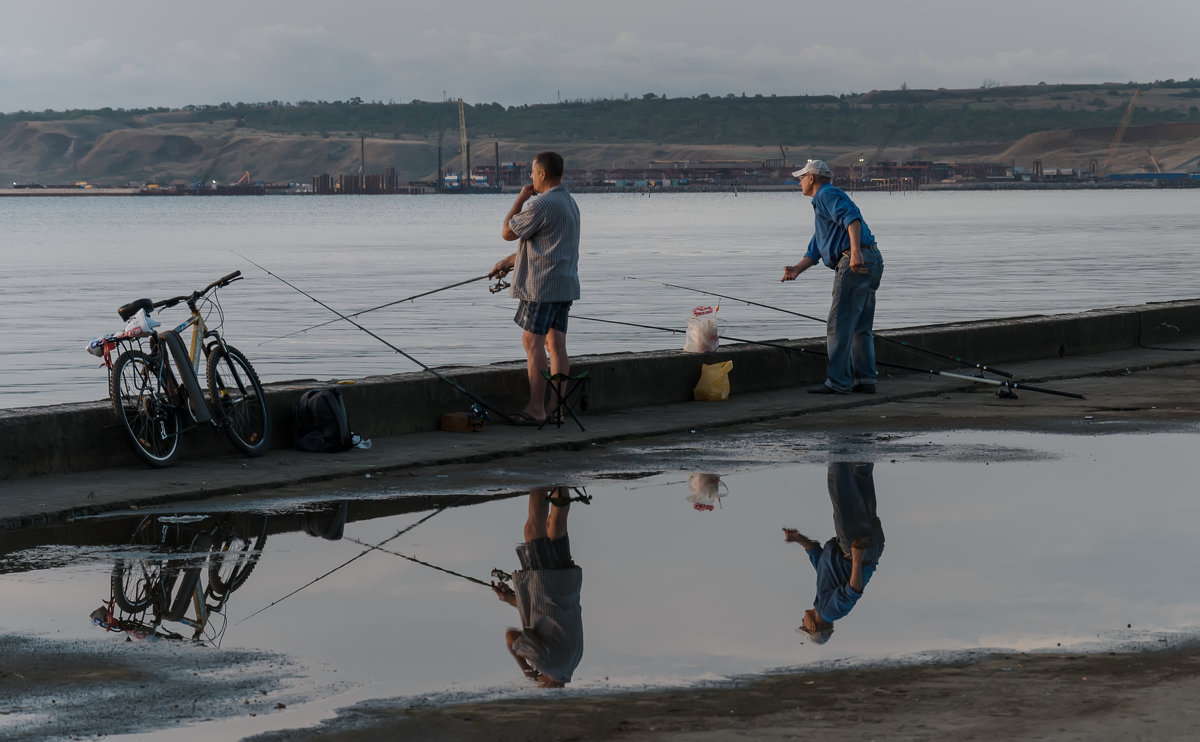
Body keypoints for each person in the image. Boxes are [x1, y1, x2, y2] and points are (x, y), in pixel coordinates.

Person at [489, 152, 581, 425]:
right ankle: (556, 409)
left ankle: (535, 409)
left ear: (542, 173)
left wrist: (521, 197)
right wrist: (509, 262)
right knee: (557, 346)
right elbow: (548, 247)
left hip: (541, 287)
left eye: (532, 172)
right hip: (564, 283)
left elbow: (507, 232)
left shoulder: (541, 204)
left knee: (532, 342)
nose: (530, 177)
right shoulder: (569, 202)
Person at [781, 160, 884, 394]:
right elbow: (819, 244)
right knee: (860, 326)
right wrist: (798, 268)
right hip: (872, 259)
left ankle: (838, 382)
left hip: (854, 261)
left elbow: (852, 219)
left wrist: (855, 253)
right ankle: (865, 380)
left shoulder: (826, 194)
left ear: (812, 178)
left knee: (838, 325)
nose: (799, 182)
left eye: (801, 178)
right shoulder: (824, 203)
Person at [491, 486, 584, 687]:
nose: (538, 684)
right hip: (546, 582)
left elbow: (551, 618)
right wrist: (527, 671)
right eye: (540, 687)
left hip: (567, 583)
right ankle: (539, 481)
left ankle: (562, 479)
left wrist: (511, 600)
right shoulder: (547, 666)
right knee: (533, 530)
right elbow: (511, 637)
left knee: (555, 525)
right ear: (548, 686)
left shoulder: (572, 663)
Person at [783, 461, 884, 644]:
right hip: (855, 549)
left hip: (866, 549)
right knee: (839, 486)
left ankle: (865, 436)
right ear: (813, 627)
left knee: (860, 477)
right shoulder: (830, 612)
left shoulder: (823, 600)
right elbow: (854, 591)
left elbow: (818, 557)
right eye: (804, 626)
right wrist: (856, 558)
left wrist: (798, 539)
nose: (802, 621)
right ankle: (839, 444)